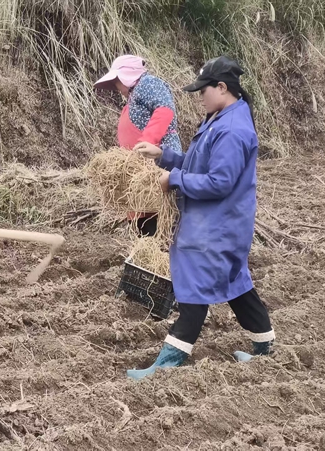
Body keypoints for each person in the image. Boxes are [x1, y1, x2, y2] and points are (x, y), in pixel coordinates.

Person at [128, 56, 274, 379]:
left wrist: (174, 179)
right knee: (235, 284)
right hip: (217, 224)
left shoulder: (232, 130)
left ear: (222, 87)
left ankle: (165, 367)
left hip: (217, 227)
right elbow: (200, 164)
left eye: (203, 90)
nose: (200, 97)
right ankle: (266, 349)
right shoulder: (220, 118)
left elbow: (219, 182)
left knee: (194, 292)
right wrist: (164, 156)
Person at [95, 55, 181, 236]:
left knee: (156, 218)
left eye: (117, 81)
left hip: (155, 163)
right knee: (142, 219)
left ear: (126, 76)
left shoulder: (148, 83)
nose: (116, 87)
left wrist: (147, 141)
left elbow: (165, 110)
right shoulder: (134, 96)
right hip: (140, 171)